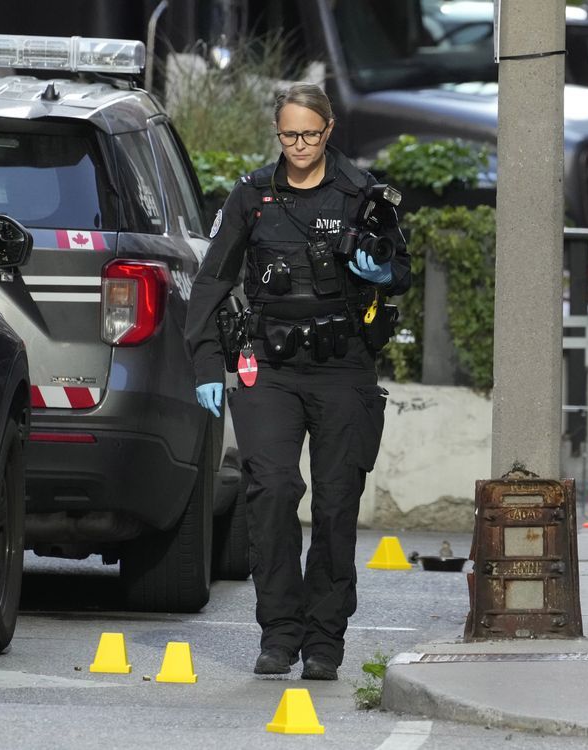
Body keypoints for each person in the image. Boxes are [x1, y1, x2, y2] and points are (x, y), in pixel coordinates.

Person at [185, 82, 410, 679]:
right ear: (277, 133)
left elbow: (403, 270)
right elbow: (211, 282)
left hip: (344, 367)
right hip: (270, 366)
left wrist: (382, 268)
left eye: (310, 133)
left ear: (329, 129)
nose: (300, 144)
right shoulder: (252, 196)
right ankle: (279, 634)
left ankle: (325, 641)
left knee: (337, 504)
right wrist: (207, 364)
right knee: (274, 490)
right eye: (289, 135)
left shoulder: (364, 193)